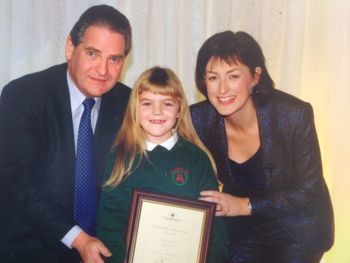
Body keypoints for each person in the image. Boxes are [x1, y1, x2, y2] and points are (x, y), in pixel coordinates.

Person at [0, 5, 132, 263]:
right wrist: (78, 239)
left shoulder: (130, 103)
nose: (103, 70)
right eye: (93, 53)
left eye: (114, 59)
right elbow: (18, 182)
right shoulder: (23, 96)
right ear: (70, 48)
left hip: (103, 250)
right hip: (31, 248)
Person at [190, 31, 334, 263]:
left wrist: (245, 205)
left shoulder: (294, 115)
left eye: (233, 76)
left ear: (256, 76)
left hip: (295, 229)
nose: (222, 89)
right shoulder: (198, 119)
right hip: (242, 230)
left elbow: (309, 191)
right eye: (213, 77)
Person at [96, 66, 229, 263]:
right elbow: (110, 222)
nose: (157, 111)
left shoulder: (197, 159)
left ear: (179, 110)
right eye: (147, 103)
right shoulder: (120, 157)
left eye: (167, 104)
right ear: (135, 109)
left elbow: (214, 227)